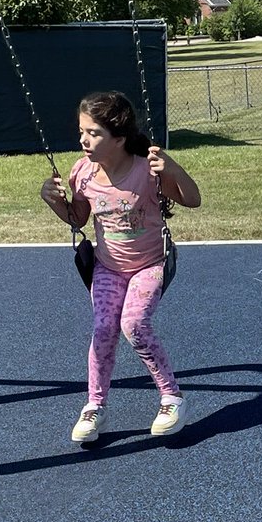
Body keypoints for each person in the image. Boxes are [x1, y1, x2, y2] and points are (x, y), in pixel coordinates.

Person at [41, 91, 201, 444]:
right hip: (108, 267)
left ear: (119, 138)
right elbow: (77, 219)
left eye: (94, 133)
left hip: (149, 265)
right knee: (103, 330)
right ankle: (95, 405)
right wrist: (54, 201)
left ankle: (171, 397)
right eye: (82, 131)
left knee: (134, 324)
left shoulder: (146, 170)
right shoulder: (82, 173)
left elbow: (192, 199)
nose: (84, 139)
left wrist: (173, 168)